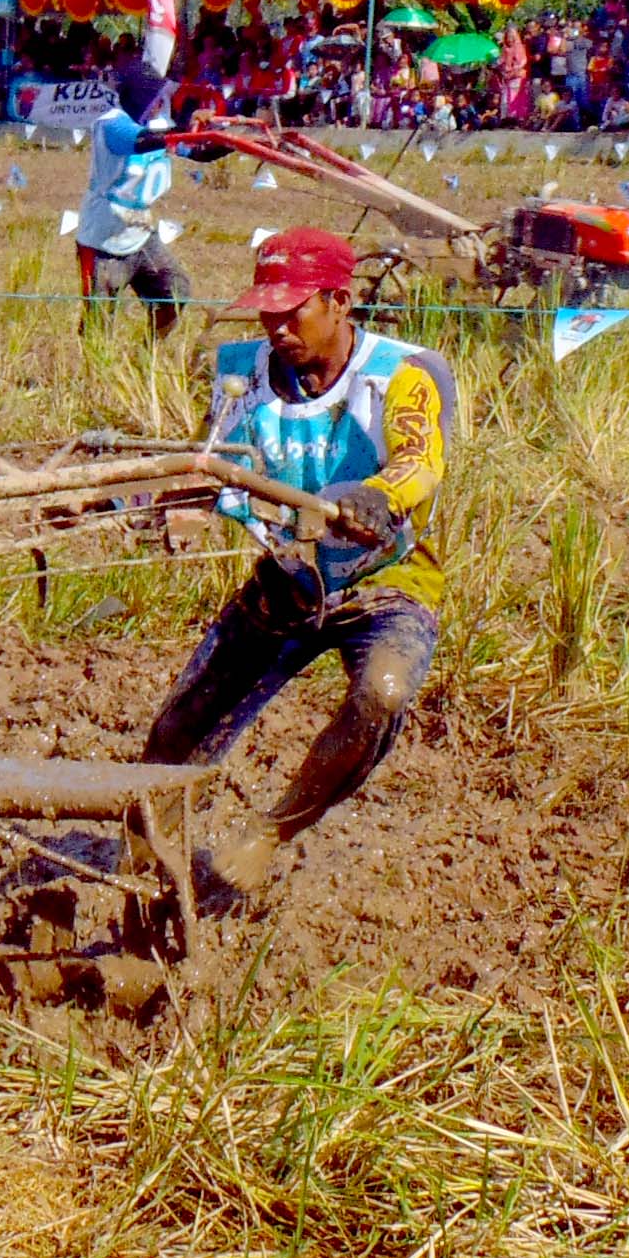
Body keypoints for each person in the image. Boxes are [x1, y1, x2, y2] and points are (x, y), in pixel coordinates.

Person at [144, 226, 454, 899]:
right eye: (268, 310)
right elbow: (216, 463)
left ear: (339, 302)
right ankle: (148, 877)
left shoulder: (402, 373)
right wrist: (168, 505)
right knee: (174, 733)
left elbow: (420, 461)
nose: (277, 326)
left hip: (384, 579)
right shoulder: (240, 369)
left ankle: (270, 834)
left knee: (384, 692)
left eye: (295, 310)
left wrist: (378, 495)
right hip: (289, 574)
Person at [75, 61, 188, 337]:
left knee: (175, 292)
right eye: (155, 98)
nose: (161, 104)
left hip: (141, 235)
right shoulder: (111, 124)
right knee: (99, 322)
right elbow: (138, 141)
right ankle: (98, 377)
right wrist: (184, 131)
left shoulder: (160, 128)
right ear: (141, 99)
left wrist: (225, 138)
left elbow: (196, 149)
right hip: (103, 241)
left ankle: (146, 356)